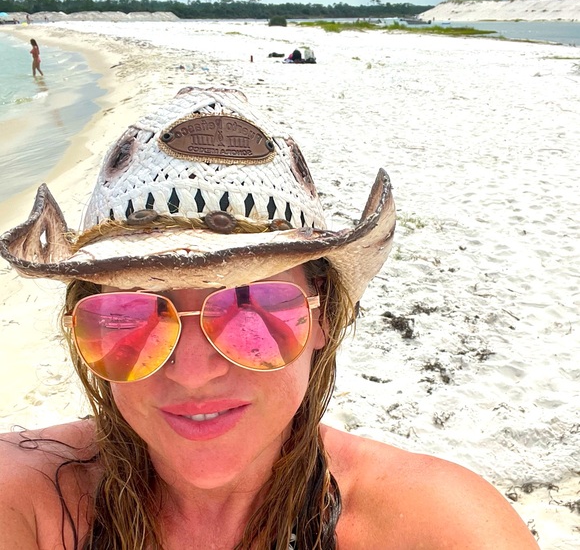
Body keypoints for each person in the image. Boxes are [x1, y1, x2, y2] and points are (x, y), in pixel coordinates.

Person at [0, 87, 539, 549]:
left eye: (250, 308)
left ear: (322, 315)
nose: (193, 373)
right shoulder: (24, 499)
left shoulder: (439, 526)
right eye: (129, 315)